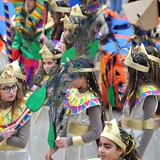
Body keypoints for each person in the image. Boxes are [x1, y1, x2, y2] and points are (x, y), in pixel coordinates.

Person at [46, 56, 105, 160]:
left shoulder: (92, 100)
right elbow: (66, 123)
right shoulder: (72, 94)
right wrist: (56, 145)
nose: (70, 79)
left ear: (85, 77)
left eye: (73, 76)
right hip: (71, 148)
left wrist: (70, 141)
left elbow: (97, 131)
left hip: (85, 149)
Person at [121, 47, 160, 160]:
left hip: (142, 138)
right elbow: (127, 114)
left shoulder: (148, 94)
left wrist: (138, 153)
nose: (123, 70)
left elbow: (149, 128)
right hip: (128, 137)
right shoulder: (132, 89)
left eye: (126, 68)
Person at [29, 43, 63, 160]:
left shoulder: (63, 81)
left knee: (45, 147)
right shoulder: (43, 79)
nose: (46, 66)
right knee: (35, 145)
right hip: (37, 118)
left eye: (50, 63)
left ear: (57, 63)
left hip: (51, 120)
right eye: (44, 63)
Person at [11, 0, 53, 84]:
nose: (27, 2)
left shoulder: (46, 19)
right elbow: (18, 38)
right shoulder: (21, 17)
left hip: (39, 67)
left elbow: (51, 43)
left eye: (30, 0)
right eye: (25, 0)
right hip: (23, 66)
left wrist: (47, 41)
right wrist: (15, 48)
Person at [0, 65, 32, 160]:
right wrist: (2, 135)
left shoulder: (23, 108)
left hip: (18, 156)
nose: (12, 92)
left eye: (14, 86)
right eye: (6, 88)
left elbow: (21, 142)